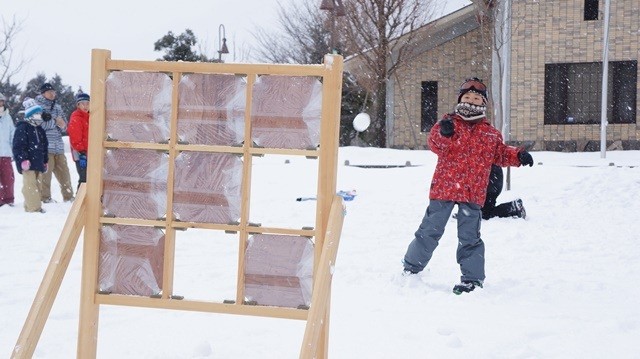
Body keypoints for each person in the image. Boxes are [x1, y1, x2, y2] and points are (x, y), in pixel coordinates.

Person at [402, 77, 534, 295]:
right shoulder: (449, 123)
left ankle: (472, 279)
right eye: (467, 97)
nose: (471, 101)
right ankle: (411, 267)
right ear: (460, 99)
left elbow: (499, 154)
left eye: (476, 98)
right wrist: (444, 134)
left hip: (472, 193)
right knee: (429, 231)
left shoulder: (490, 133)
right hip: (444, 189)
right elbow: (435, 144)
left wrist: (519, 156)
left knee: (470, 237)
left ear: (483, 104)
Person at [35, 82, 74, 202]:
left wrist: (61, 124)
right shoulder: (37, 107)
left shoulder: (57, 106)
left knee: (65, 174)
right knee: (45, 175)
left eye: (53, 92)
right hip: (45, 146)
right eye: (49, 92)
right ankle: (45, 197)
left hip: (58, 146)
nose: (52, 94)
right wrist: (55, 122)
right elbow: (38, 124)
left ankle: (68, 197)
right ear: (43, 93)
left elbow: (64, 125)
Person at [13, 98, 49, 213]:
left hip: (38, 162)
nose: (39, 116)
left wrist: (45, 160)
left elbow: (44, 146)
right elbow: (18, 146)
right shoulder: (22, 128)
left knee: (38, 186)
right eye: (37, 114)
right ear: (31, 115)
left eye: (39, 113)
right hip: (28, 163)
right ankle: (34, 208)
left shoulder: (40, 130)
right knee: (30, 186)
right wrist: (23, 159)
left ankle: (29, 207)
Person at [67, 92, 90, 188]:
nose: (85, 106)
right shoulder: (76, 118)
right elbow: (75, 137)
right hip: (80, 153)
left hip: (90, 152)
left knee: (90, 178)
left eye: (88, 103)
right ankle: (78, 200)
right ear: (78, 105)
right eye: (82, 103)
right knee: (84, 179)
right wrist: (82, 152)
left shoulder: (90, 117)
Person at [0, 92, 16, 207]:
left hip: (6, 153)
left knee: (8, 178)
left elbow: (12, 134)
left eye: (1, 101)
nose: (0, 103)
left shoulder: (7, 116)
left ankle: (8, 199)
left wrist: (13, 149)